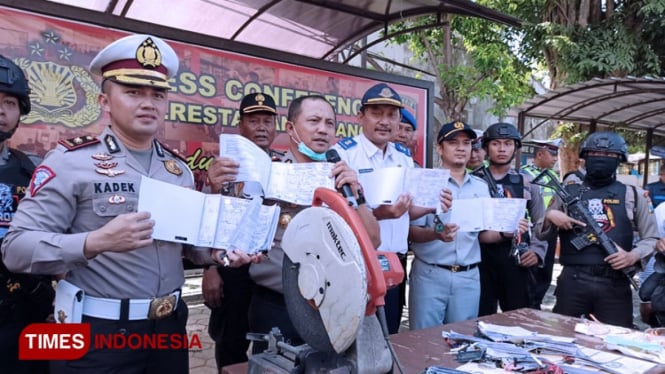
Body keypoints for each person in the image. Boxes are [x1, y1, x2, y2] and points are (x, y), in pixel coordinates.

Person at [0, 34, 252, 373]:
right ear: (105, 101)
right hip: (96, 333)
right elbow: (16, 248)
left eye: (157, 94)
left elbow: (188, 248)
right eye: (133, 92)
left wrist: (220, 254)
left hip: (168, 330)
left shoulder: (176, 169)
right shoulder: (70, 161)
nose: (148, 103)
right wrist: (95, 242)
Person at [212, 94, 380, 353]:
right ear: (291, 128)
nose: (323, 129)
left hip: (332, 306)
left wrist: (356, 195)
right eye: (313, 121)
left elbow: (372, 240)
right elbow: (230, 232)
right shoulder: (267, 174)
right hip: (277, 305)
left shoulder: (340, 177)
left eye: (329, 123)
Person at [536, 131, 659, 328]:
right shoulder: (567, 191)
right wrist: (550, 217)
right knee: (562, 341)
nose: (601, 159)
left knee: (615, 348)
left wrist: (632, 256)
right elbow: (540, 233)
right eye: (594, 154)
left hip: (614, 285)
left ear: (620, 160)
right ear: (585, 158)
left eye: (610, 155)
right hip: (573, 282)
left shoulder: (633, 195)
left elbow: (652, 238)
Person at [332, 82, 419, 334]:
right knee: (353, 339)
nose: (385, 121)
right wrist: (380, 214)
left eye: (391, 115)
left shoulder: (403, 157)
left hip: (395, 265)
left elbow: (408, 210)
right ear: (361, 116)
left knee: (388, 337)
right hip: (357, 266)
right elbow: (338, 217)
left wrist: (431, 206)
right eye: (376, 113)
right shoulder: (343, 155)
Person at [204, 92, 281, 369]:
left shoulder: (284, 166)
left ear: (276, 127)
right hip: (231, 268)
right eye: (254, 120)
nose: (261, 127)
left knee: (271, 345)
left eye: (267, 121)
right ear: (240, 125)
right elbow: (206, 220)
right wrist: (209, 270)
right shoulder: (223, 167)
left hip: (270, 268)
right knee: (230, 343)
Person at [408, 121, 489, 328]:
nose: (461, 148)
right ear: (439, 148)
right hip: (431, 274)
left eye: (467, 143)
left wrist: (510, 230)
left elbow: (485, 235)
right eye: (453, 142)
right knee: (424, 343)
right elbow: (410, 232)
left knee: (462, 342)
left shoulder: (481, 187)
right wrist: (437, 234)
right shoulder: (425, 182)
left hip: (468, 276)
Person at [0, 55, 52, 374]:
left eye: (9, 102)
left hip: (29, 316)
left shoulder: (35, 171)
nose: (1, 111)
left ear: (21, 112)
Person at [472, 122, 547, 316]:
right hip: (480, 259)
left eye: (508, 143)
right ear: (487, 147)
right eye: (496, 143)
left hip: (517, 258)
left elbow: (542, 222)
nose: (502, 149)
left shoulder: (527, 182)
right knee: (481, 317)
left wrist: (537, 251)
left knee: (519, 318)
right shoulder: (473, 181)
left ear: (515, 148)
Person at [520, 140, 560, 309]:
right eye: (552, 154)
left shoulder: (554, 176)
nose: (556, 159)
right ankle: (530, 303)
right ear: (540, 154)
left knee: (546, 271)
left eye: (557, 154)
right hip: (531, 231)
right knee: (532, 273)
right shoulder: (525, 174)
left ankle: (539, 302)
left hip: (549, 230)